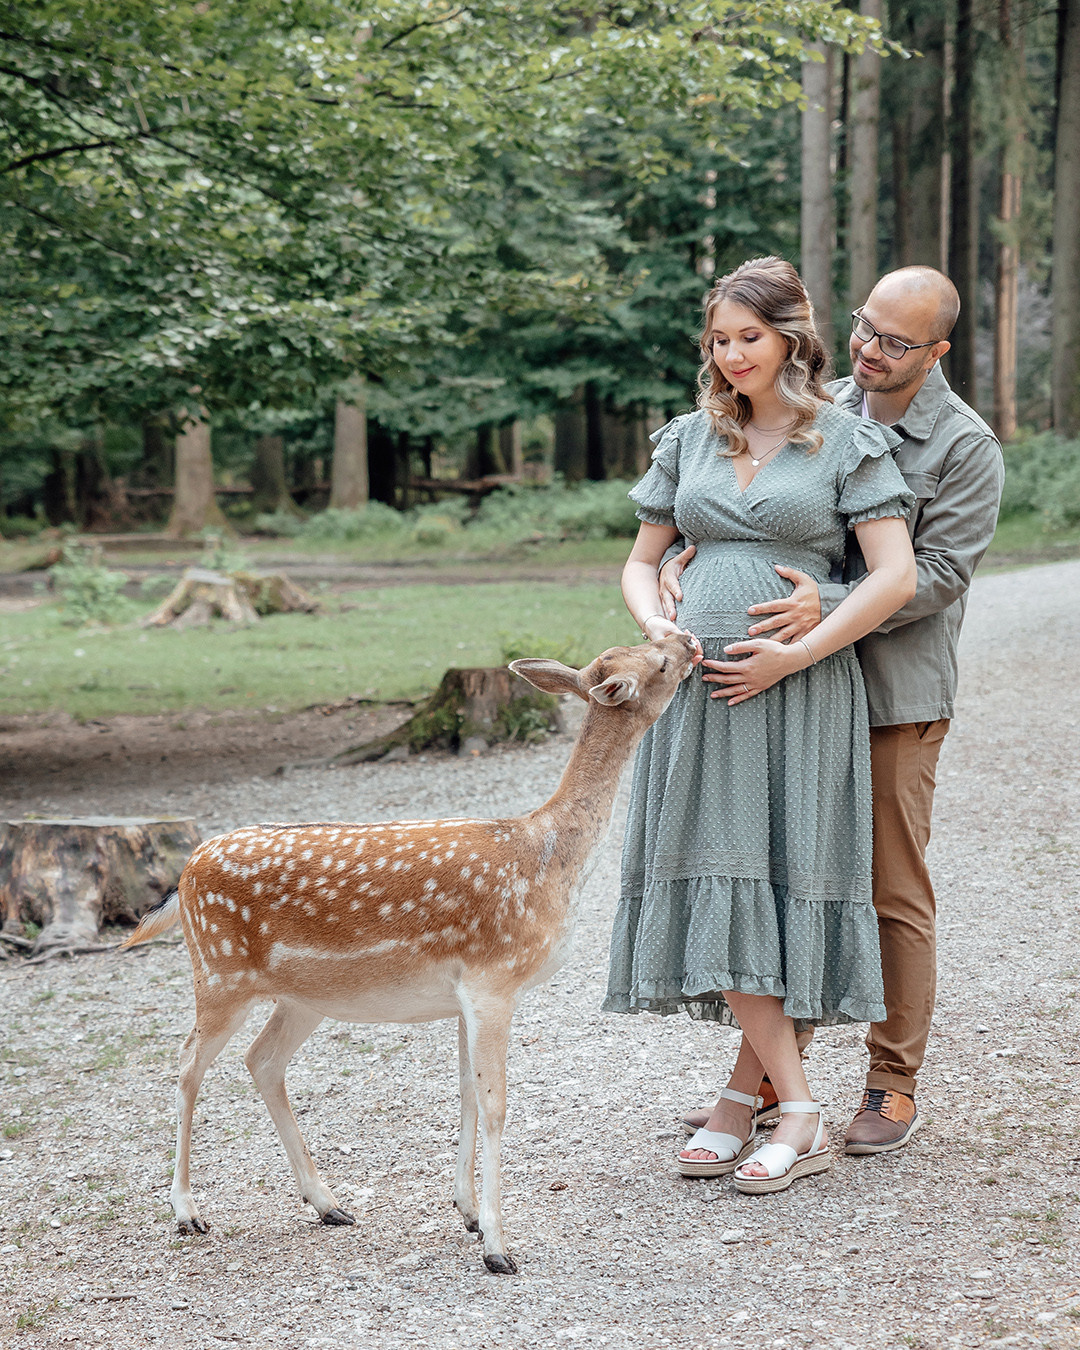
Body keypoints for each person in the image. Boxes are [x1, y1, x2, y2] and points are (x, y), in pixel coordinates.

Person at [671, 266, 1005, 1154]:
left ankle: (891, 1084)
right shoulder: (821, 408)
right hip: (792, 689)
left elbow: (934, 576)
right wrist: (696, 563)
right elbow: (766, 511)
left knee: (889, 890)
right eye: (865, 326)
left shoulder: (965, 446)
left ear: (935, 353)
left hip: (893, 692)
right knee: (790, 875)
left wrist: (820, 599)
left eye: (896, 342)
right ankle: (779, 1081)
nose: (870, 348)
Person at [604, 256, 917, 1192]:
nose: (731, 354)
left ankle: (782, 1108)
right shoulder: (688, 439)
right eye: (719, 339)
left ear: (792, 338)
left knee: (780, 882)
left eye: (749, 336)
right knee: (716, 868)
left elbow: (894, 576)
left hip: (799, 695)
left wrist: (802, 642)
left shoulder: (845, 446)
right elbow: (638, 559)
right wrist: (656, 618)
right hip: (697, 698)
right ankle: (773, 1102)